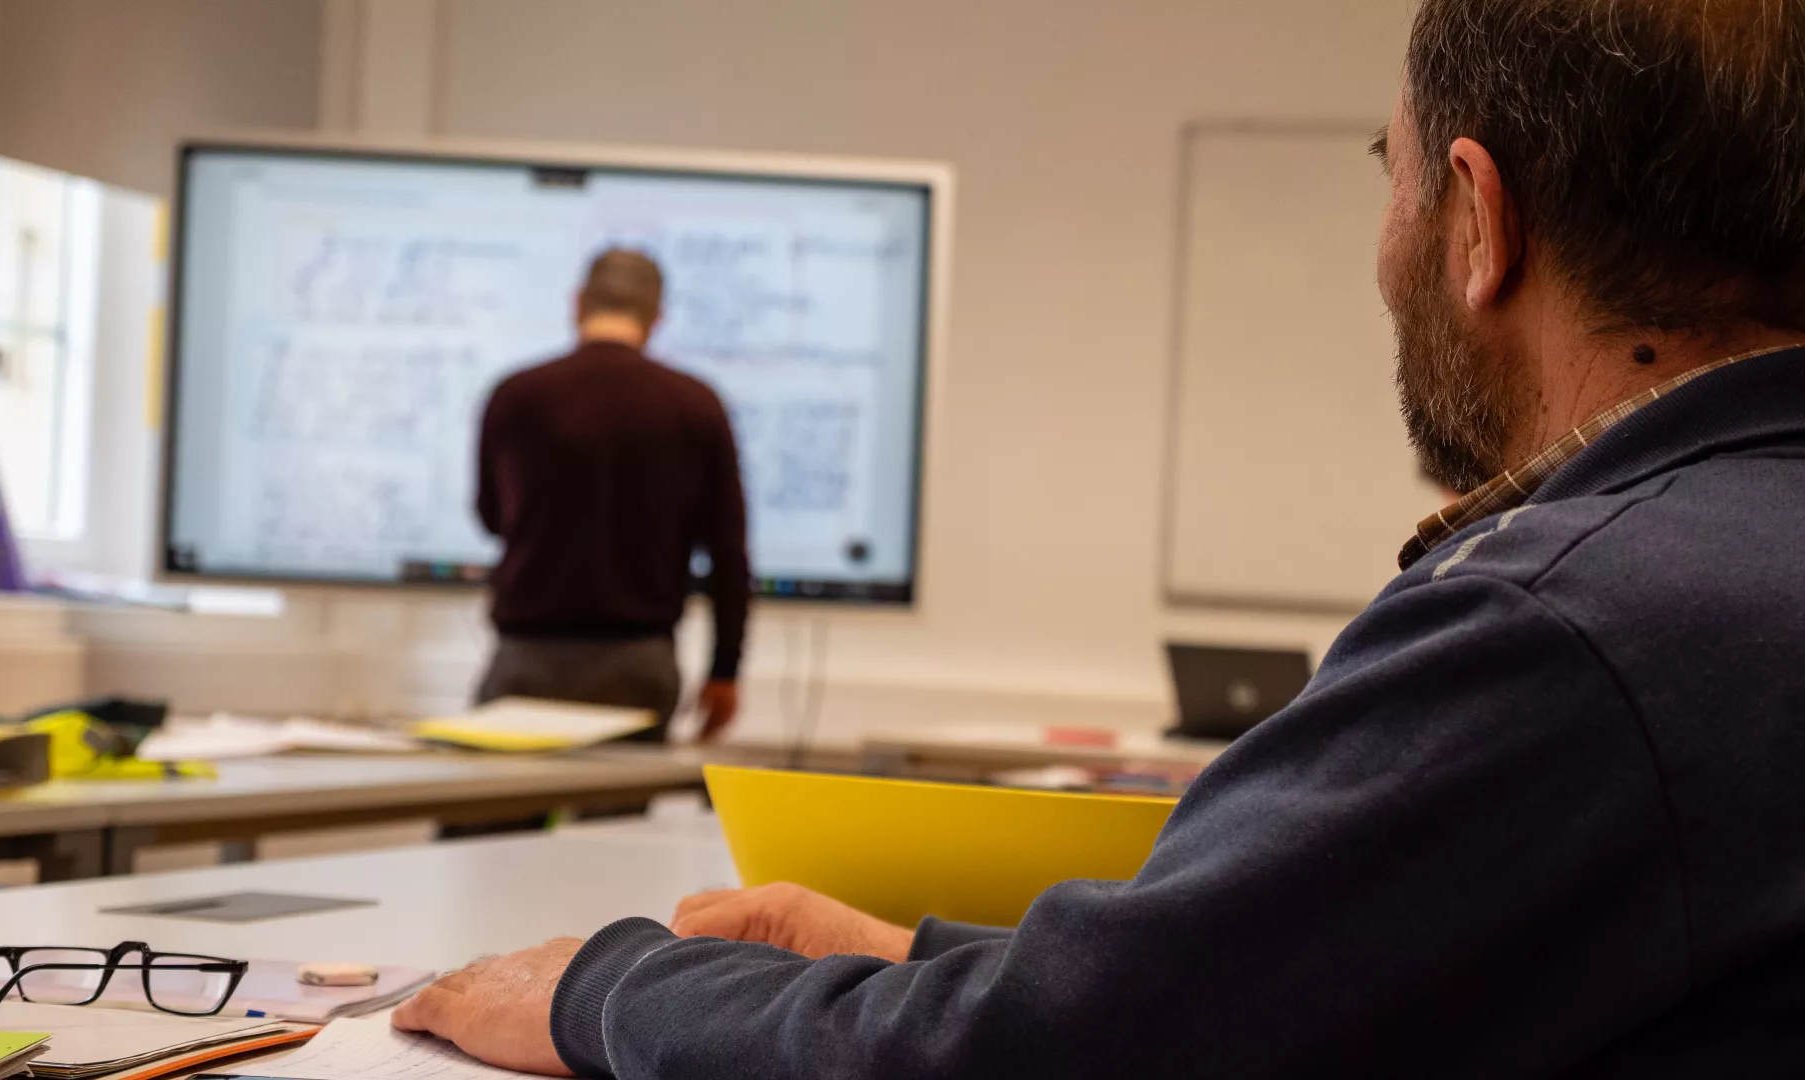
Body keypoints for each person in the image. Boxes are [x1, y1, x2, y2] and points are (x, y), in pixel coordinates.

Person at [400, 0, 1805, 1074]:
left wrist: (606, 988)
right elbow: (1296, 980)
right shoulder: (1735, 565)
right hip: (644, 662)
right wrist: (921, 955)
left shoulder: (1571, 626)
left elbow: (1077, 1058)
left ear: (1480, 220)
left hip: (526, 651)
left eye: (1394, 174)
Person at [474, 249, 750, 743]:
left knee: (498, 816)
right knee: (616, 823)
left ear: (577, 303)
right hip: (638, 663)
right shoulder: (695, 404)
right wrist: (724, 670)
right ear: (656, 316)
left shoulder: (516, 394)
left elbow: (491, 517)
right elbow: (728, 552)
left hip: (526, 659)